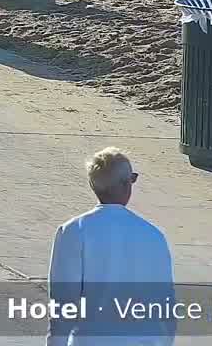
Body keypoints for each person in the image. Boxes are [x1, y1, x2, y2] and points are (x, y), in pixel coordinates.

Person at [47, 147, 176, 346]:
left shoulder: (74, 231)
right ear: (125, 185)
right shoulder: (154, 235)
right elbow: (165, 307)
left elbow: (63, 305)